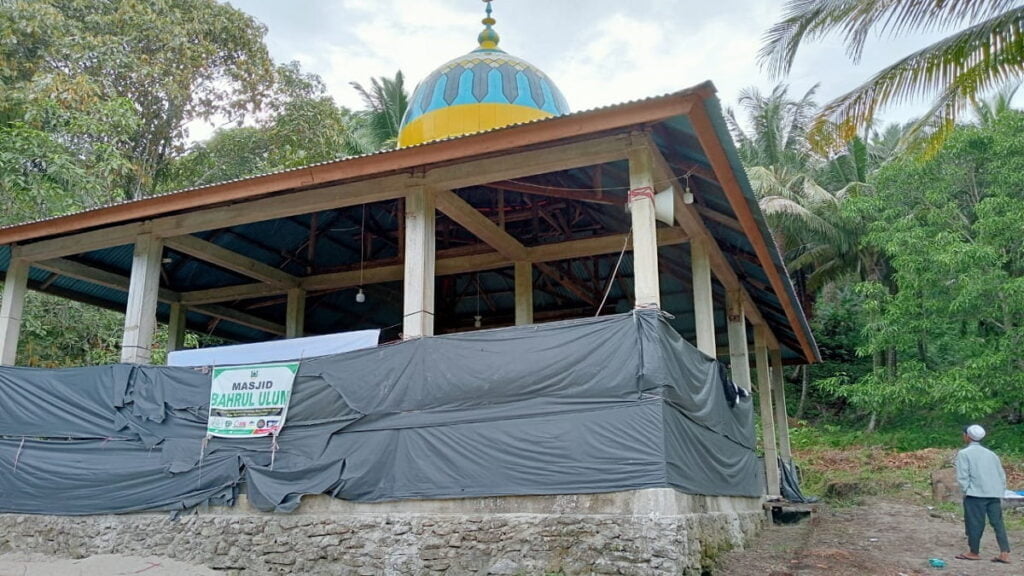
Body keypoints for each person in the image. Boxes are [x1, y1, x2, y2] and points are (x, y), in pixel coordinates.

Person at [954, 424, 1011, 564]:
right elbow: (1001, 475)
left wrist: (966, 490)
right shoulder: (991, 454)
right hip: (994, 493)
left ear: (967, 436)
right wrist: (1000, 490)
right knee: (997, 522)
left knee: (975, 523)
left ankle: (974, 552)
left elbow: (963, 476)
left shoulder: (964, 453)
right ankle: (1004, 552)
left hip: (975, 494)